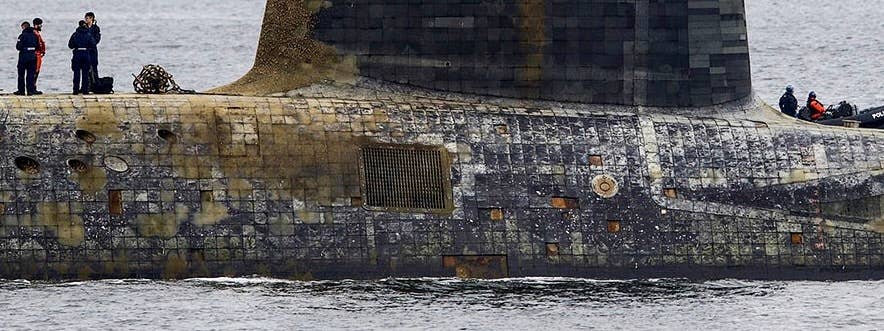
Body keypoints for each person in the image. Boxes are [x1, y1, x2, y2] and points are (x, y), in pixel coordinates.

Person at [69, 20, 95, 94]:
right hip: (86, 54)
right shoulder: (88, 34)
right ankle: (85, 90)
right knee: (85, 73)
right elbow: (93, 44)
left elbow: (70, 45)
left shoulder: (75, 34)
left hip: (77, 54)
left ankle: (75, 90)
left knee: (76, 73)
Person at [15, 21, 40, 96]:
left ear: (23, 27)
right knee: (31, 74)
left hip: (23, 56)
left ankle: (21, 91)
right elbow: (38, 46)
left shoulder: (22, 36)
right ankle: (30, 91)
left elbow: (18, 47)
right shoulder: (35, 35)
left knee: (21, 74)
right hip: (33, 56)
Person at [84, 12, 101, 86]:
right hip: (85, 51)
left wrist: (91, 43)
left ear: (91, 19)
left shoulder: (96, 28)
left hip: (93, 50)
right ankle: (86, 86)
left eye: (87, 18)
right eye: (86, 18)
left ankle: (96, 85)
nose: (86, 20)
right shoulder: (83, 28)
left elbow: (97, 39)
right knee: (85, 69)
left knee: (94, 67)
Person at [32, 17, 45, 93]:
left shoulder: (36, 33)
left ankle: (33, 87)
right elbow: (38, 45)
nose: (41, 27)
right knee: (35, 71)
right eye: (40, 25)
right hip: (36, 55)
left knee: (36, 72)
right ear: (36, 25)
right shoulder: (35, 33)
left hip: (38, 55)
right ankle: (33, 88)